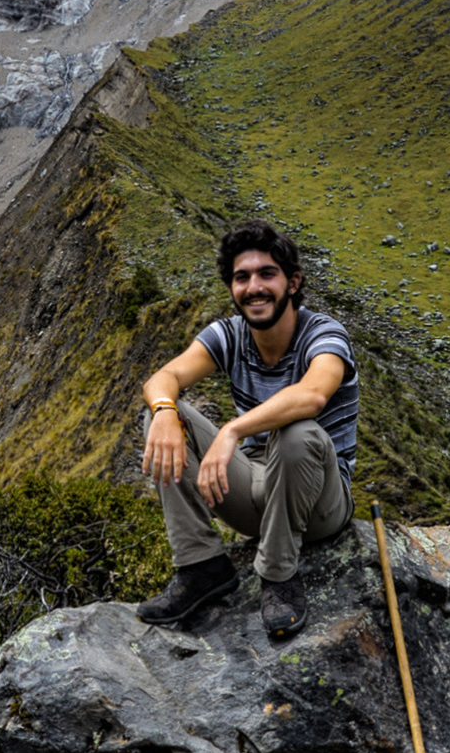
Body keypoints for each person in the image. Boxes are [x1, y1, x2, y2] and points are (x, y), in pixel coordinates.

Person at [133, 221, 356, 640]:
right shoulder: (229, 335)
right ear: (232, 287)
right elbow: (164, 378)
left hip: (320, 503)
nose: (254, 287)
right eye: (242, 277)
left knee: (296, 433)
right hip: (254, 488)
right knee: (164, 417)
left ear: (293, 283)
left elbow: (312, 396)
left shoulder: (324, 334)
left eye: (267, 274)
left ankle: (279, 576)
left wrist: (231, 431)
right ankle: (201, 567)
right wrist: (163, 410)